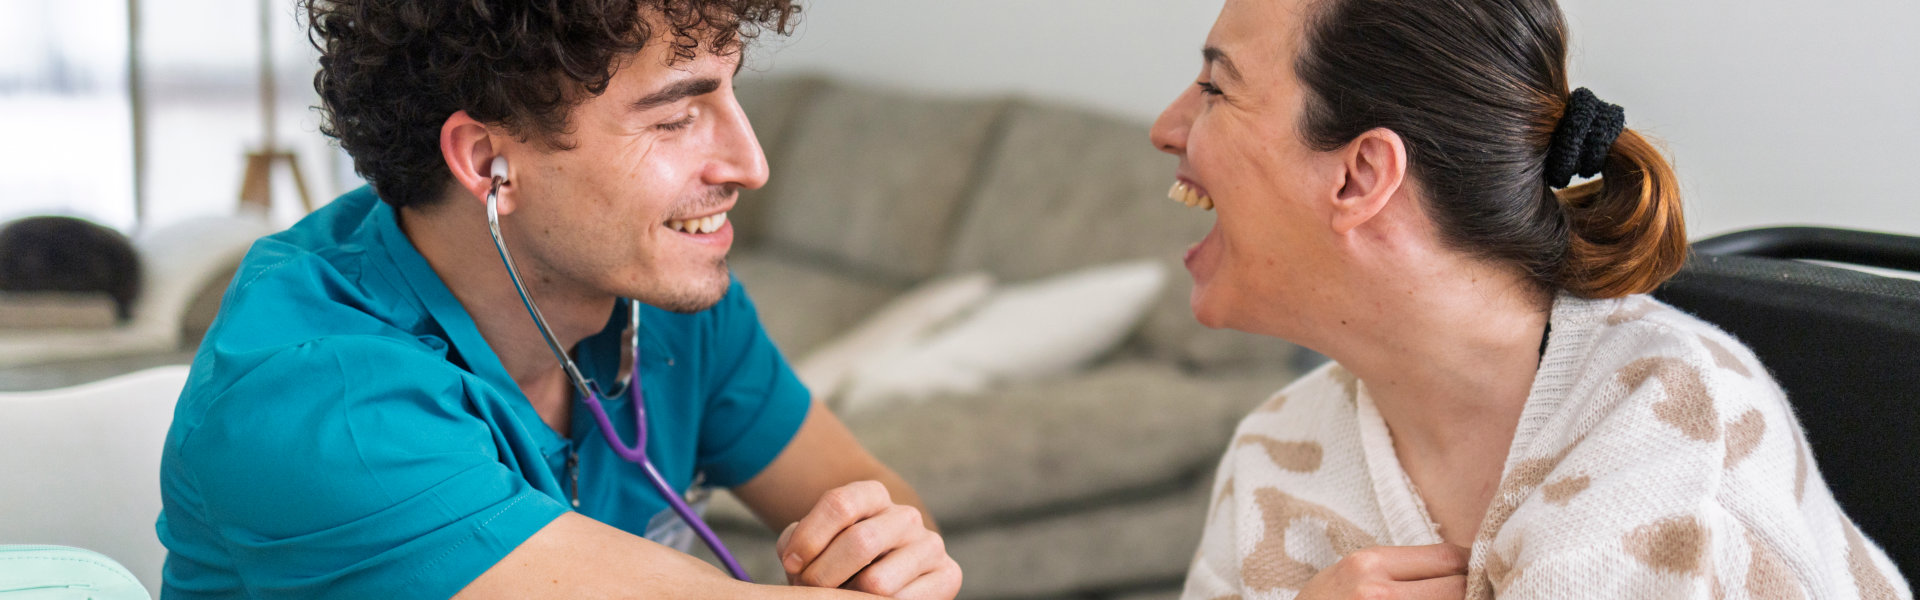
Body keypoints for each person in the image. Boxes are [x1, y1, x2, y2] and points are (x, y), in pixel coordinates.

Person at [155, 1, 961, 598]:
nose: (751, 164)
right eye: (678, 117)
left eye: (731, 96)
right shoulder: (320, 398)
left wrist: (886, 552)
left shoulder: (673, 306)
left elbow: (892, 513)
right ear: (487, 162)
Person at [1150, 0, 1911, 598]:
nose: (1166, 126)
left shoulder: (1669, 437)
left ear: (1359, 175)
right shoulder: (1279, 450)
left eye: (1217, 87)